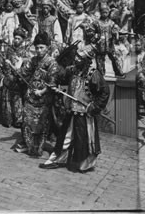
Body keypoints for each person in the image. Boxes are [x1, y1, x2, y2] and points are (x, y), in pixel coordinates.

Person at [39, 44, 110, 172]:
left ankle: (85, 165)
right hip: (71, 111)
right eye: (76, 56)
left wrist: (94, 107)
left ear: (87, 60)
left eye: (80, 58)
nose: (76, 59)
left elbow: (104, 92)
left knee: (86, 141)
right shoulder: (72, 70)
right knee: (64, 138)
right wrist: (54, 84)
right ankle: (55, 160)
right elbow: (60, 76)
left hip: (85, 113)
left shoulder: (94, 74)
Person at [11, 31, 61, 157]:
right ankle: (28, 144)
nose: (39, 50)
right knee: (27, 122)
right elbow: (23, 73)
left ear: (48, 48)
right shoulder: (32, 61)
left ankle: (39, 147)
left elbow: (52, 83)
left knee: (42, 124)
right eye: (37, 48)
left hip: (44, 100)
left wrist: (42, 91)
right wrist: (15, 67)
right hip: (30, 97)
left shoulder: (52, 63)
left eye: (41, 48)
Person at [0, 28, 30, 128]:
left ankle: (18, 120)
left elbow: (27, 68)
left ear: (22, 40)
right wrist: (1, 76)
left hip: (18, 82)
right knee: (6, 103)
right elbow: (1, 65)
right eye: (15, 38)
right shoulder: (8, 50)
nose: (16, 40)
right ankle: (8, 120)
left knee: (17, 102)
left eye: (18, 39)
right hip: (7, 80)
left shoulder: (25, 53)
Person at [95, 3, 124, 76]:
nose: (104, 14)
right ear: (100, 13)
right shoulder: (96, 23)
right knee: (100, 60)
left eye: (106, 12)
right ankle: (101, 74)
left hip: (110, 44)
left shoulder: (111, 23)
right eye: (103, 12)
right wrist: (96, 36)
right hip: (100, 45)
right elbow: (90, 32)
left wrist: (116, 33)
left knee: (115, 58)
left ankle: (118, 72)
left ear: (108, 13)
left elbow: (117, 30)